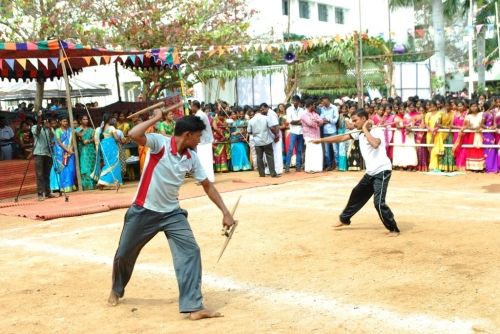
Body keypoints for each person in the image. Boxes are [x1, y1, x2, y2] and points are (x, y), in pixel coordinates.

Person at [107, 111, 235, 321]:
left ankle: (194, 306)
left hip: (172, 213)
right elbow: (133, 133)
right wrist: (157, 117)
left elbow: (207, 186)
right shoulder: (160, 143)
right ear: (187, 135)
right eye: (198, 136)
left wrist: (225, 212)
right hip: (143, 210)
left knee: (190, 251)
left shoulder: (191, 157)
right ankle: (117, 288)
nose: (200, 140)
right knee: (124, 254)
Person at [313, 109, 400, 236]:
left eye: (355, 120)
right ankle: (344, 219)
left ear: (364, 119)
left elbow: (375, 144)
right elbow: (342, 137)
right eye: (352, 120)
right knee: (356, 193)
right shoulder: (358, 133)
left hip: (382, 170)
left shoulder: (376, 130)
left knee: (378, 203)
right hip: (370, 172)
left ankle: (393, 229)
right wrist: (321, 140)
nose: (353, 123)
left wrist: (365, 129)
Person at [247, 103, 280, 177]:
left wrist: (255, 133)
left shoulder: (251, 121)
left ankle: (261, 174)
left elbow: (249, 132)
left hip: (257, 142)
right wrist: (276, 135)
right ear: (259, 111)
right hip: (267, 140)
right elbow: (271, 128)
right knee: (270, 156)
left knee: (259, 157)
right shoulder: (266, 118)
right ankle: (273, 174)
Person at [92, 113, 123, 189]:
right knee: (115, 162)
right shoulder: (112, 127)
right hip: (111, 146)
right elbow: (116, 138)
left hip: (104, 146)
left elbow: (95, 139)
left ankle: (104, 182)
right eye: (111, 118)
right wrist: (120, 137)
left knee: (108, 163)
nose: (112, 120)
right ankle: (103, 181)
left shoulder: (99, 129)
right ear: (109, 119)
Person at [31, 111, 55, 201]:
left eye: (44, 119)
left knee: (47, 174)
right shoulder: (34, 127)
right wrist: (39, 122)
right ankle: (40, 194)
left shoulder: (47, 129)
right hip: (39, 153)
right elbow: (37, 132)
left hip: (48, 153)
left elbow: (51, 138)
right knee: (40, 174)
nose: (43, 121)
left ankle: (48, 192)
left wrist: (49, 128)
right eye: (41, 119)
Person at [191, 100, 215, 182]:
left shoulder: (199, 115)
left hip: (203, 141)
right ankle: (207, 178)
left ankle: (206, 179)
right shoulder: (201, 114)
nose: (191, 108)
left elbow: (197, 128)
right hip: (204, 140)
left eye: (191, 106)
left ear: (195, 106)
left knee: (203, 160)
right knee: (205, 160)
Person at [53, 116, 77, 192]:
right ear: (60, 122)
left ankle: (71, 185)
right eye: (63, 121)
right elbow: (59, 143)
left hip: (70, 151)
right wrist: (67, 150)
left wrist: (71, 149)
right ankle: (65, 187)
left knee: (71, 169)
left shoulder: (70, 130)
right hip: (61, 153)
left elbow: (73, 140)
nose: (65, 123)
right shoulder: (58, 131)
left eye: (66, 121)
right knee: (64, 169)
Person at [301, 100, 324, 173]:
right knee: (310, 152)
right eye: (313, 105)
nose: (314, 106)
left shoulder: (315, 113)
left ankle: (317, 168)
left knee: (318, 151)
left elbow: (321, 121)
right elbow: (310, 123)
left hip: (316, 135)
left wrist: (316, 121)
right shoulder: (304, 114)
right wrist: (316, 122)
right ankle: (309, 169)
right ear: (310, 105)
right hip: (309, 135)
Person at [285, 95, 305, 172]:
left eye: (297, 101)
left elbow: (302, 121)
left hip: (301, 132)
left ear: (299, 102)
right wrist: (298, 121)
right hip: (293, 132)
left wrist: (295, 122)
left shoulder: (302, 110)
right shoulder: (289, 109)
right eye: (294, 101)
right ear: (292, 101)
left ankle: (298, 166)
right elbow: (290, 121)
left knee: (299, 150)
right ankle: (287, 167)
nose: (295, 102)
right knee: (290, 149)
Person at [76, 115, 96, 190]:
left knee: (91, 166)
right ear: (80, 121)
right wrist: (86, 140)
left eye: (87, 119)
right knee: (85, 167)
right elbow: (82, 141)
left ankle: (92, 184)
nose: (86, 121)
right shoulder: (77, 130)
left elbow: (94, 139)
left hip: (91, 149)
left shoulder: (91, 129)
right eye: (84, 119)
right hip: (83, 150)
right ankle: (86, 185)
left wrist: (90, 140)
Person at [319, 96, 339, 171]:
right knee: (327, 151)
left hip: (333, 131)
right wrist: (328, 120)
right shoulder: (322, 109)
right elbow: (321, 120)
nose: (323, 103)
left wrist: (327, 120)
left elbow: (335, 120)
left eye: (324, 102)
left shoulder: (334, 108)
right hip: (325, 131)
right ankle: (329, 165)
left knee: (335, 149)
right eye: (322, 102)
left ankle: (337, 165)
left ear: (328, 100)